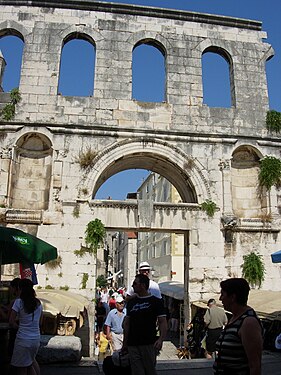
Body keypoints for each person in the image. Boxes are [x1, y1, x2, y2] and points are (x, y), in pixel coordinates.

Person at [213, 278, 263, 375]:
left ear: (233, 297)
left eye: (223, 294)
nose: (220, 298)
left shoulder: (248, 323)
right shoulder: (234, 318)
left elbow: (255, 365)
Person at [122, 273, 167, 375]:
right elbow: (127, 324)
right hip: (133, 344)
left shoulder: (156, 302)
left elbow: (162, 322)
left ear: (142, 285)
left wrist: (161, 339)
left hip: (149, 343)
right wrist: (125, 343)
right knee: (137, 372)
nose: (132, 286)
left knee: (149, 371)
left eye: (135, 283)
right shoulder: (131, 302)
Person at [9, 278, 42, 375]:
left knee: (21, 368)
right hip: (35, 339)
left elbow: (11, 321)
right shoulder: (38, 304)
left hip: (23, 339)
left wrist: (19, 327)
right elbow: (40, 323)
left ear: (20, 289)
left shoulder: (18, 302)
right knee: (30, 364)